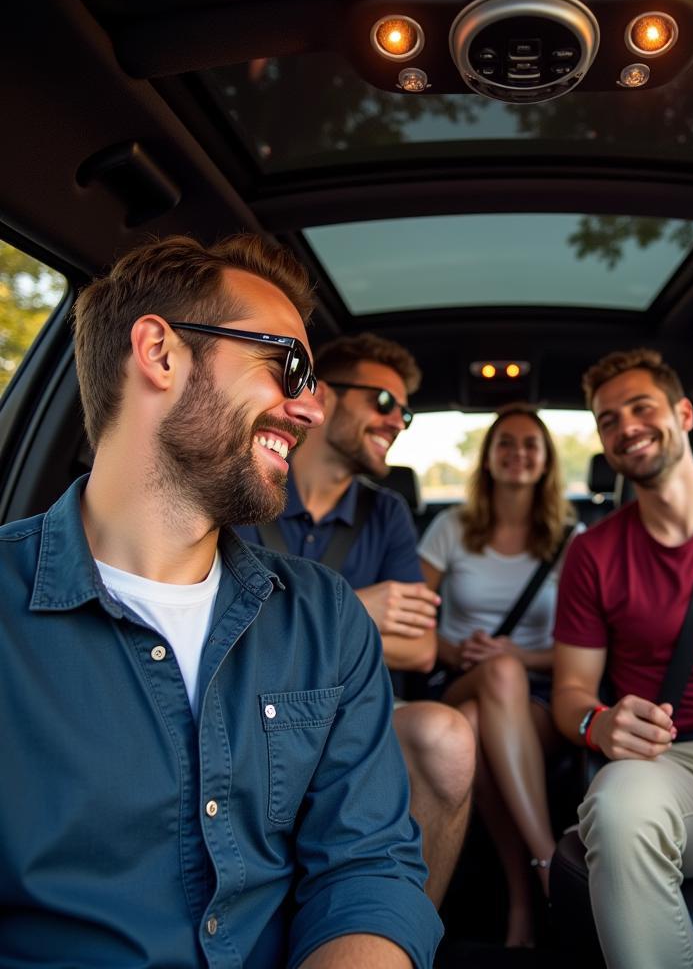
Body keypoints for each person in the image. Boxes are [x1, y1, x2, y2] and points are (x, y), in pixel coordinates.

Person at [0, 234, 441, 968]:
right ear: (161, 354)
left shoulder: (326, 619)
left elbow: (365, 871)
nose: (306, 408)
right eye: (286, 368)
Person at [551, 348, 693, 969]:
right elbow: (571, 693)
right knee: (615, 805)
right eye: (607, 419)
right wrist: (596, 723)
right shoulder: (593, 552)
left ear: (683, 414)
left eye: (640, 407)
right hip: (670, 766)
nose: (625, 425)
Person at [235, 332, 475, 907]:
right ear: (322, 396)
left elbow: (418, 652)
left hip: (359, 709)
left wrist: (284, 627)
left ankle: (408, 932)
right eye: (383, 402)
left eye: (405, 412)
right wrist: (359, 610)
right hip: (247, 703)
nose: (396, 422)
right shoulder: (248, 489)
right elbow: (223, 626)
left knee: (446, 739)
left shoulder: (386, 511)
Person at [418, 404, 575, 947]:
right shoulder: (452, 527)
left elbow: (583, 650)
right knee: (480, 691)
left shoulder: (570, 538)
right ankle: (547, 860)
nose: (517, 453)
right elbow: (414, 623)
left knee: (473, 720)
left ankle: (521, 900)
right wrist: (457, 651)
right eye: (505, 443)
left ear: (546, 460)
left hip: (538, 697)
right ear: (487, 458)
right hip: (460, 674)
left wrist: (519, 657)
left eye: (530, 444)